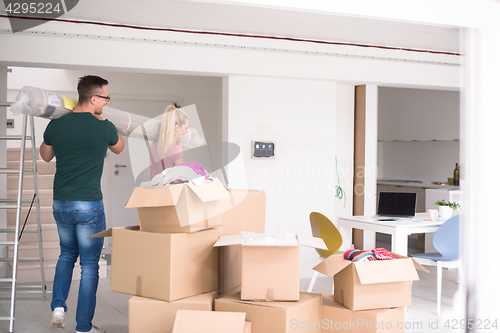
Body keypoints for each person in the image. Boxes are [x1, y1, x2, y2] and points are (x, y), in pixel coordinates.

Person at [40, 75, 125, 333]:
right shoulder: (105, 126)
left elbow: (45, 156)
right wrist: (109, 126)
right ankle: (84, 327)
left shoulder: (57, 124)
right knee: (89, 266)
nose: (107, 103)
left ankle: (57, 306)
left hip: (61, 204)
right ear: (94, 98)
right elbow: (119, 147)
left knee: (66, 254)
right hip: (88, 205)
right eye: (106, 98)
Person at [149, 105, 189, 179]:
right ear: (177, 127)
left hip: (155, 189)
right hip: (171, 190)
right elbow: (183, 177)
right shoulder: (175, 150)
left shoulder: (153, 146)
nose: (186, 132)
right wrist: (178, 151)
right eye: (186, 128)